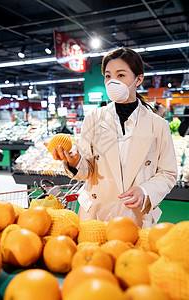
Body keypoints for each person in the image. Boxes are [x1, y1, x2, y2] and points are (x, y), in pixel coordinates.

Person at [52, 47, 177, 228]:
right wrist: (76, 161)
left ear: (138, 79)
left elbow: (168, 173)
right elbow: (86, 171)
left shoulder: (158, 125)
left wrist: (145, 190)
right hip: (95, 214)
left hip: (135, 216)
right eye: (108, 76)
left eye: (121, 75)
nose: (112, 82)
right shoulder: (93, 119)